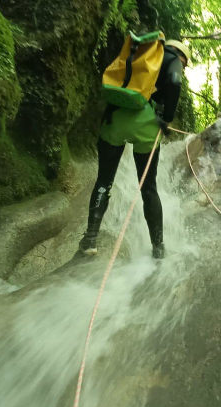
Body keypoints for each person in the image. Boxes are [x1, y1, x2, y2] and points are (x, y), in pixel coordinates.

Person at [78, 39, 191, 259]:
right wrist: (166, 119)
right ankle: (158, 248)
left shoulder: (139, 54)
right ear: (181, 55)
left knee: (104, 181)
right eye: (185, 64)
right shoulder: (172, 60)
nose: (184, 69)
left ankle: (90, 239)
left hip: (115, 117)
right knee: (148, 188)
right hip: (146, 125)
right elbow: (175, 84)